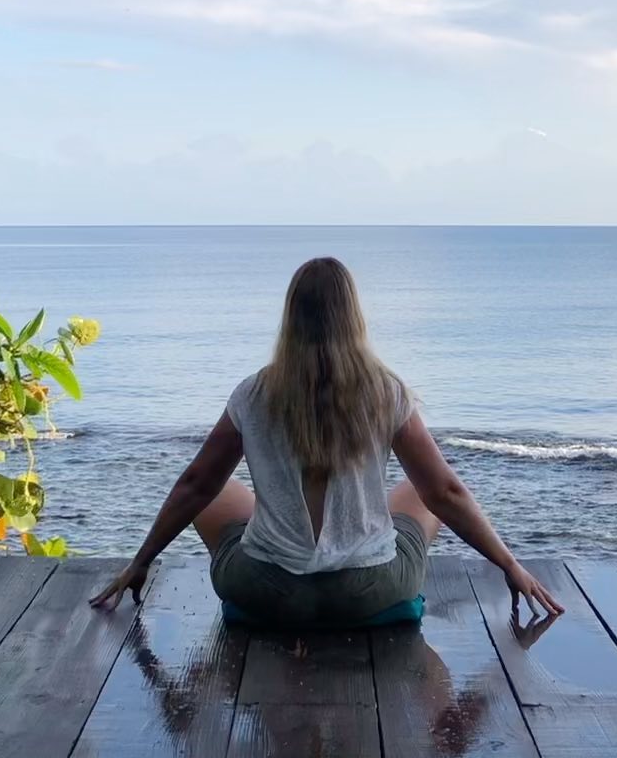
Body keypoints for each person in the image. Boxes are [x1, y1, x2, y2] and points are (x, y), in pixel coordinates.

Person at [90, 256, 564, 624]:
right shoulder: (385, 391)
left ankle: (279, 540)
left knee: (217, 493)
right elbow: (446, 492)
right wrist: (510, 565)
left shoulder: (254, 392)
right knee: (418, 492)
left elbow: (195, 484)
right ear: (353, 316)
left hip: (267, 590)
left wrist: (140, 561)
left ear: (290, 317)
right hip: (370, 590)